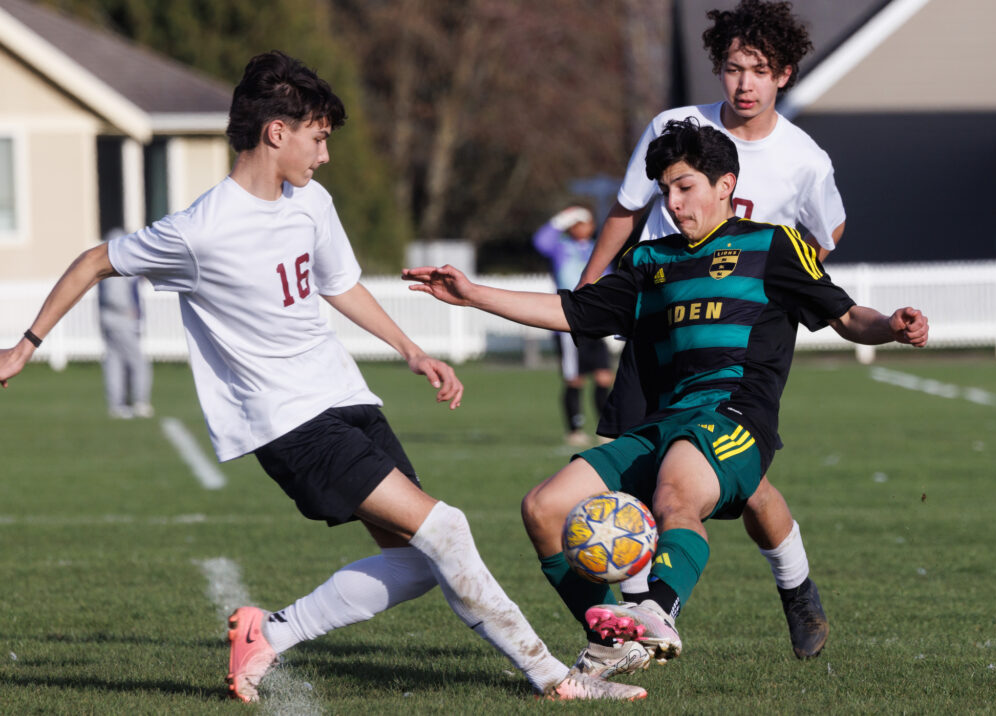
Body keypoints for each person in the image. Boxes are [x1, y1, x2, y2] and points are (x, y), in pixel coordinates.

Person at [0, 51, 647, 703]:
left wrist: (413, 351)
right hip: (288, 421)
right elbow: (92, 262)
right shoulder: (202, 229)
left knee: (420, 563)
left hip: (347, 400)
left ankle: (270, 633)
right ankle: (555, 679)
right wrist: (25, 346)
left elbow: (341, 286)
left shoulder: (311, 202)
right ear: (276, 132)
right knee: (446, 529)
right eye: (318, 137)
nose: (325, 155)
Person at [404, 118, 928, 678]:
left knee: (674, 496)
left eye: (686, 188)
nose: (674, 204)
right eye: (666, 192)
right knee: (543, 508)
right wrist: (472, 295)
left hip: (733, 414)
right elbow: (572, 312)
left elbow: (846, 314)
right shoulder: (651, 261)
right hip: (664, 419)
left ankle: (657, 610)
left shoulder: (771, 244)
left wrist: (891, 326)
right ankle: (615, 635)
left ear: (725, 185)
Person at [576, 0, 845, 663]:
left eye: (758, 70)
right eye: (732, 69)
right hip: (658, 324)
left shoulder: (804, 159)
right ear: (717, 72)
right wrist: (590, 288)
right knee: (655, 479)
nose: (744, 83)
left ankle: (791, 590)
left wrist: (768, 288)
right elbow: (626, 207)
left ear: (783, 74)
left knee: (727, 475)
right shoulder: (676, 127)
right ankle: (641, 626)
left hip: (734, 338)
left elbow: (828, 233)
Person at [532, 206, 613, 447]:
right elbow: (540, 242)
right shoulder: (560, 247)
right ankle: (574, 429)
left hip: (595, 323)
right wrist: (561, 218)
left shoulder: (596, 248)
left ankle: (605, 426)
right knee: (574, 378)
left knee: (603, 376)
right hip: (568, 323)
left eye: (586, 221)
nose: (582, 227)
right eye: (576, 223)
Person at [97, 228, 153, 419]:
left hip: (109, 319)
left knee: (115, 361)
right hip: (121, 319)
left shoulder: (105, 263)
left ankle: (117, 403)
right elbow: (115, 294)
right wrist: (127, 311)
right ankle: (140, 401)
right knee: (136, 361)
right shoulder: (114, 263)